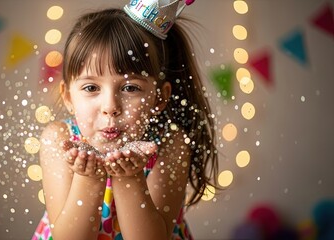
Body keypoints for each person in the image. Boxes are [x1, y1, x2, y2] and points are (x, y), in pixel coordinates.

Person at [32, 0, 218, 239]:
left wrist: (129, 176)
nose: (110, 107)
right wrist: (89, 177)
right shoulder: (59, 140)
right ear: (68, 97)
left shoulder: (171, 143)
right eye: (91, 87)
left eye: (130, 88)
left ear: (159, 98)